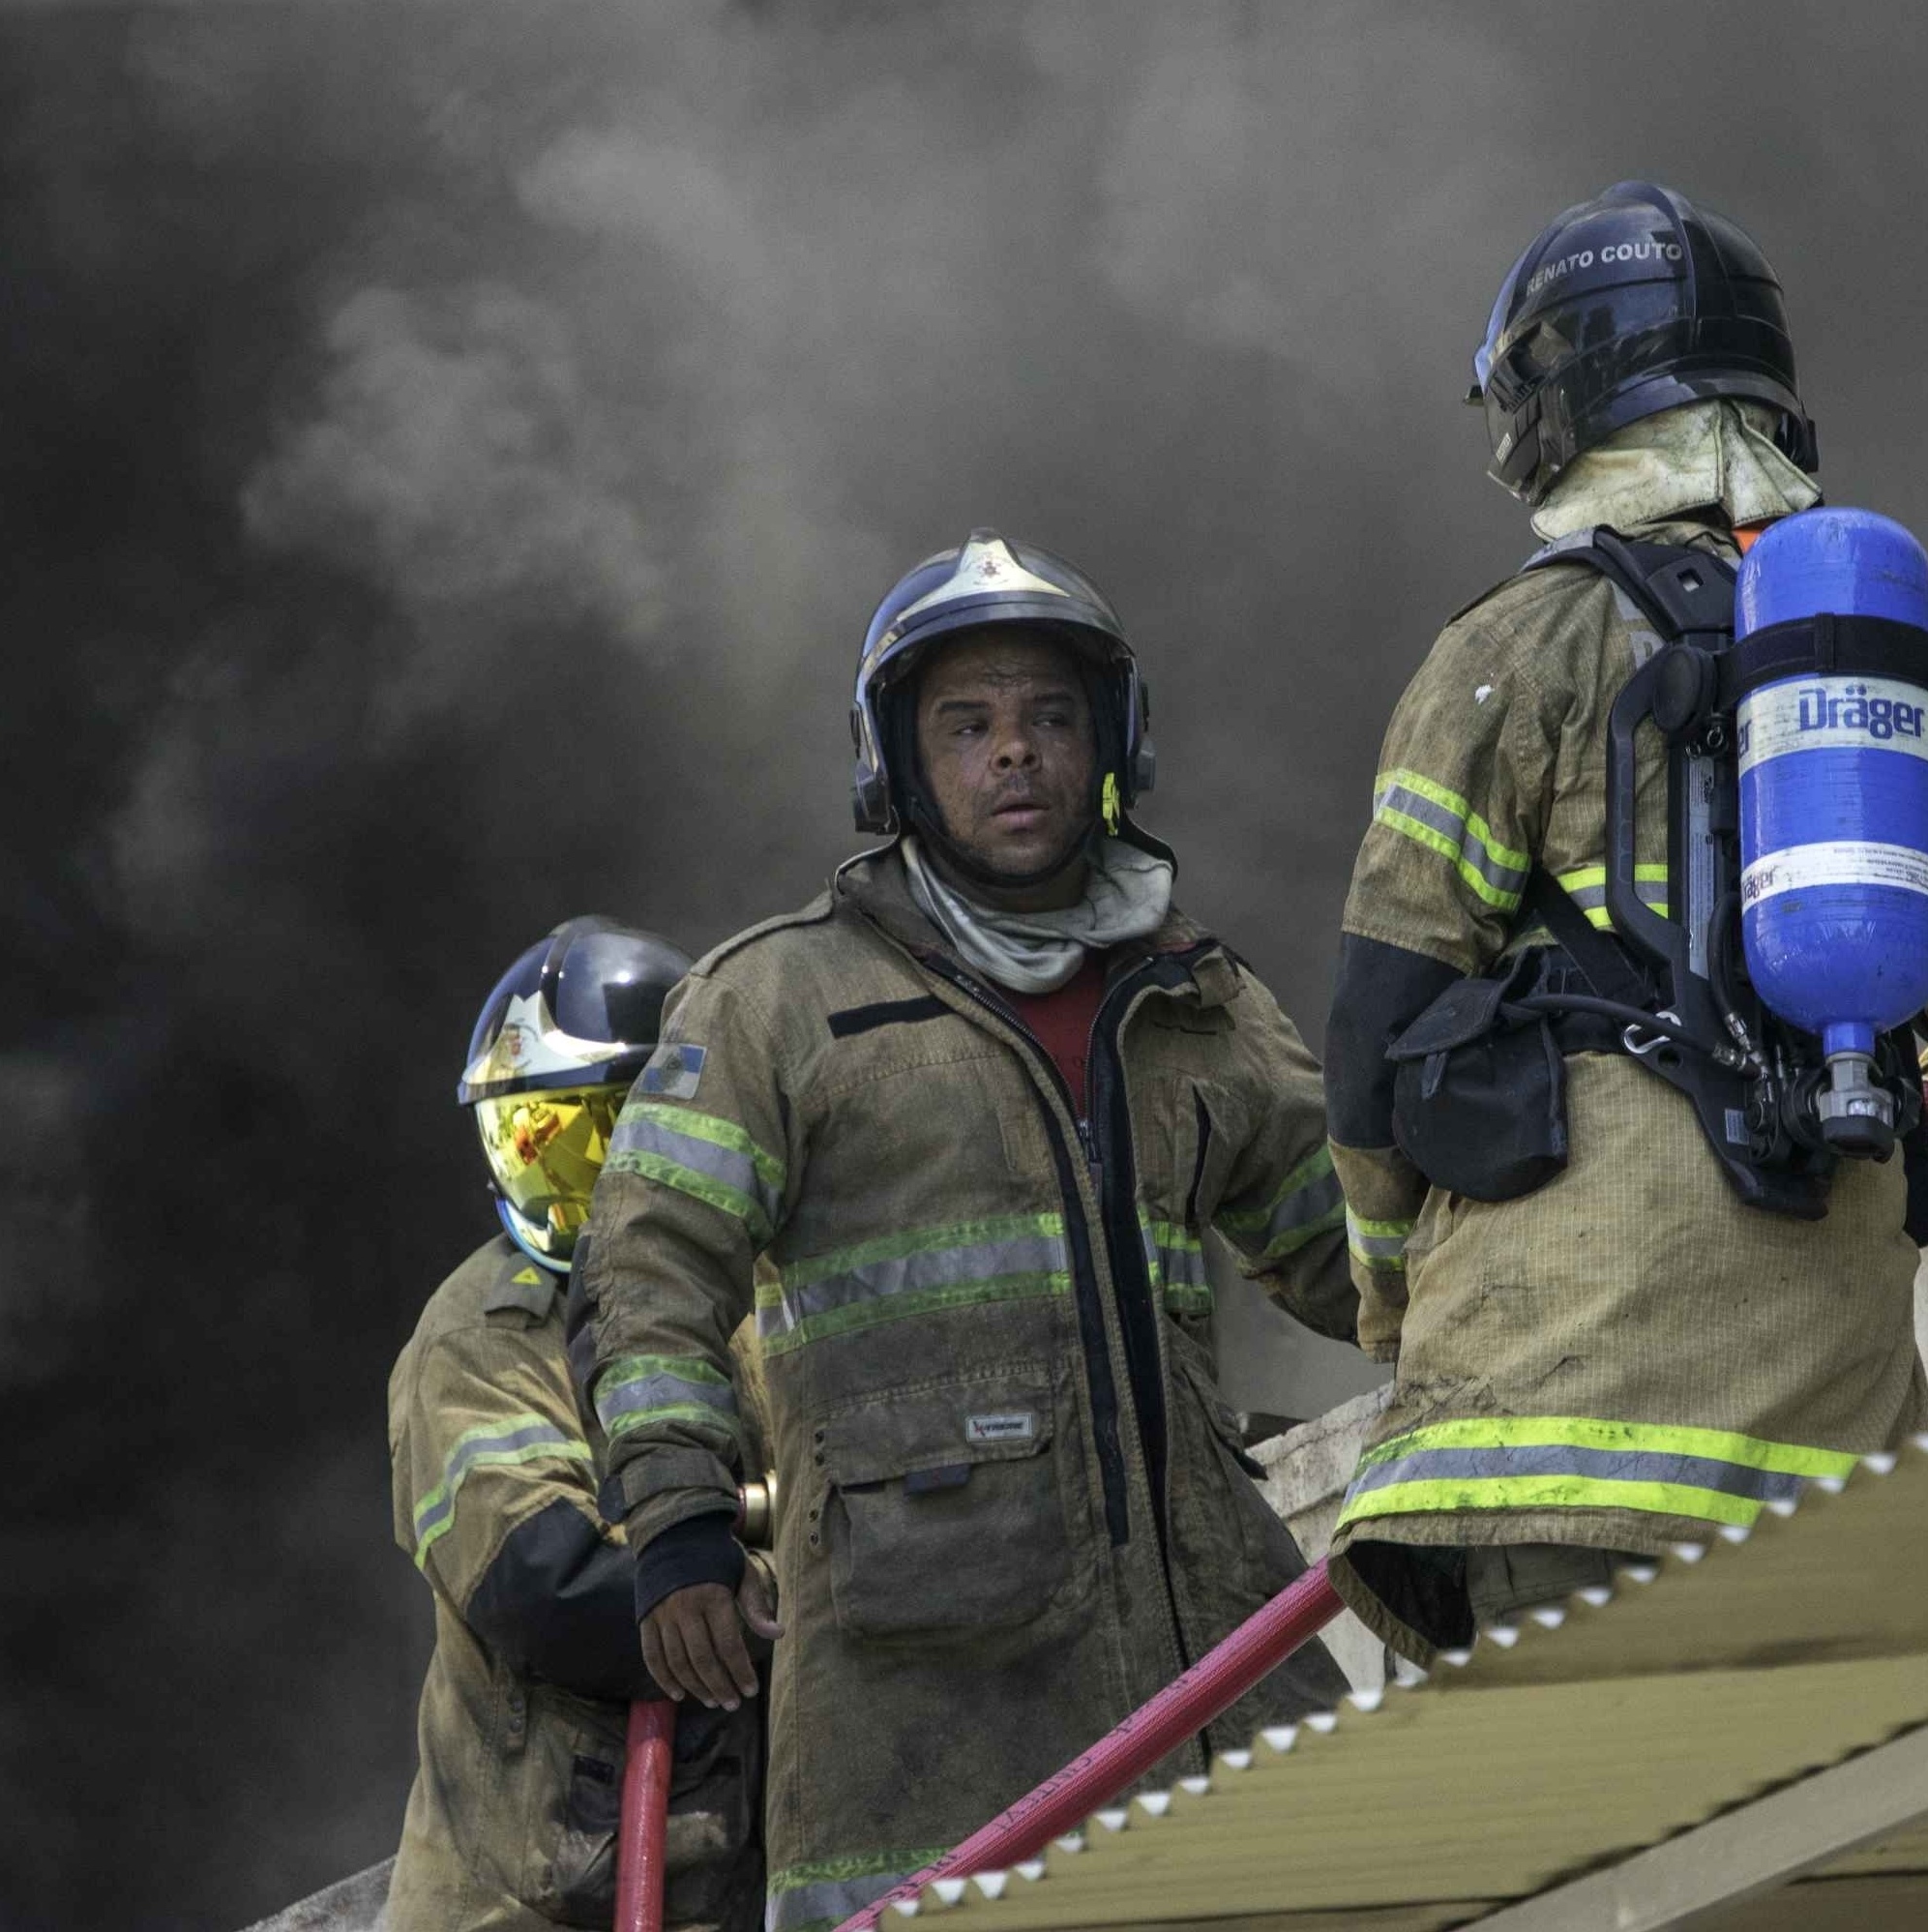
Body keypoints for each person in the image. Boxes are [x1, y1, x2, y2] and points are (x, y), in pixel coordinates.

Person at [1321, 182, 1928, 1655]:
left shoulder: (1507, 656)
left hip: (1535, 1465)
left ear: (1548, 406)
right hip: (1816, 1477)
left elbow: (1371, 1046)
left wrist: (1390, 1306)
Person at [574, 530, 1359, 1929]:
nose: (1015, 754)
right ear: (897, 762)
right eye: (970, 723)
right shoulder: (776, 1002)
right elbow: (647, 1265)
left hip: (1209, 1666)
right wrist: (681, 1516)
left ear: (1111, 744)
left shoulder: (1195, 993)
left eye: (1050, 717)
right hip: (921, 1718)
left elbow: (1355, 1250)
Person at [388, 916, 771, 1931]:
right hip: (532, 1908)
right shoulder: (478, 1337)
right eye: (529, 1148)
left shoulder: (774, 1294)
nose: (567, 1198)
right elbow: (558, 1591)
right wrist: (792, 1567)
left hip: (749, 1878)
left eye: (591, 1146)